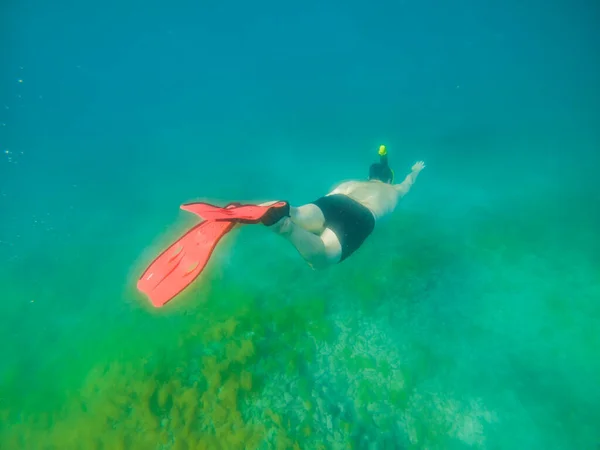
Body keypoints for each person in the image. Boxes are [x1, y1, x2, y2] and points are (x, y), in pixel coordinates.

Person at [262, 145, 426, 269]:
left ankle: (278, 211)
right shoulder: (394, 190)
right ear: (389, 180)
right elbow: (408, 183)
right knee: (322, 259)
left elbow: (333, 194)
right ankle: (287, 229)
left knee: (297, 213)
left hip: (336, 200)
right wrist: (415, 171)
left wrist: (315, 217)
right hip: (363, 215)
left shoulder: (355, 182)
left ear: (369, 176)